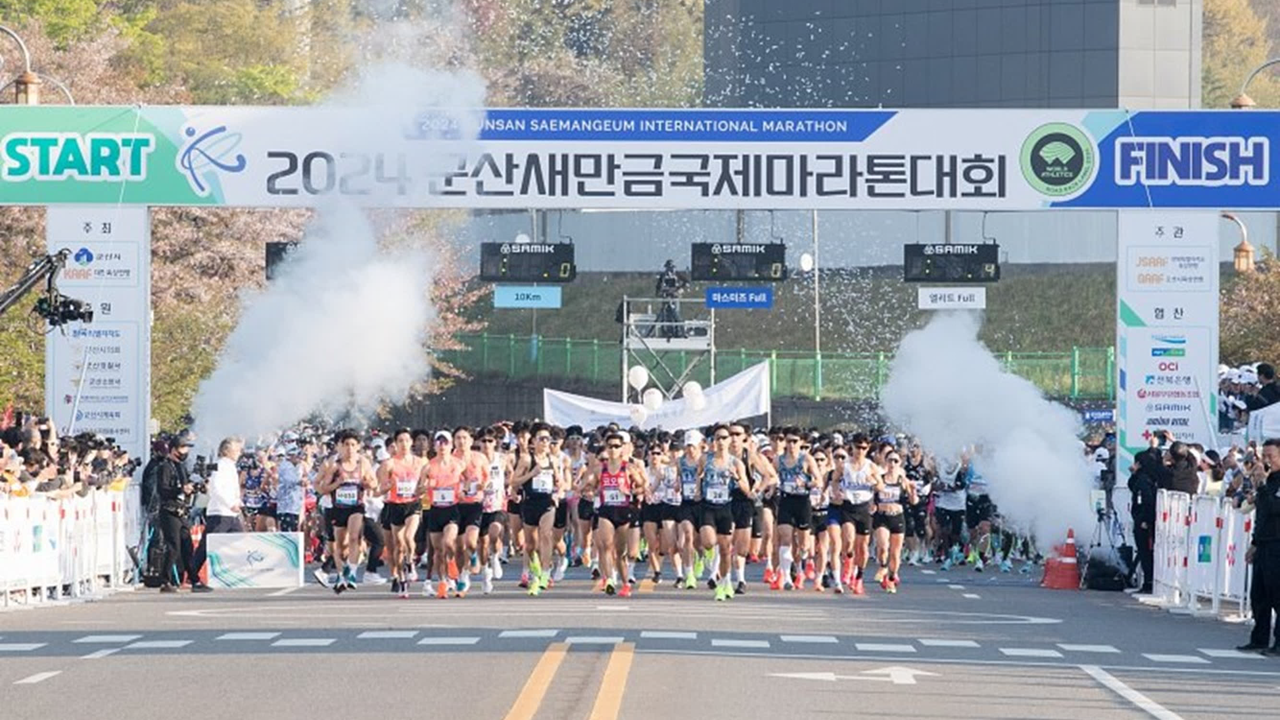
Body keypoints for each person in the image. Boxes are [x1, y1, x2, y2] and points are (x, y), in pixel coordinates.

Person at [313, 429, 377, 593]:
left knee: (355, 537)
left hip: (356, 506)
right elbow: (322, 488)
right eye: (346, 444)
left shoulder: (363, 463)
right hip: (338, 508)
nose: (350, 448)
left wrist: (367, 483)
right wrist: (337, 483)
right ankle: (342, 575)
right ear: (340, 446)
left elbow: (374, 483)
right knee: (340, 547)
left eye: (353, 445)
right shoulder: (334, 465)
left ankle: (353, 574)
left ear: (358, 447)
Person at [154, 431, 211, 593]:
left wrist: (197, 487)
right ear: (173, 449)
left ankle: (195, 580)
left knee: (187, 547)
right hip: (169, 511)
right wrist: (180, 489)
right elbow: (163, 490)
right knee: (173, 547)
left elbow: (187, 487)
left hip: (182, 511)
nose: (186, 451)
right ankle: (165, 581)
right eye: (183, 447)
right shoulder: (165, 467)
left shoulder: (181, 467)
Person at [1240, 438, 1280, 655]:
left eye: (1270, 456)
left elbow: (1275, 508)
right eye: (1264, 456)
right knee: (1259, 595)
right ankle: (1259, 638)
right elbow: (1262, 513)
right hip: (1264, 543)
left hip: (1278, 544)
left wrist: (1263, 485)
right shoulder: (1270, 481)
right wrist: (1254, 544)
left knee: (1277, 594)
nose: (1266, 461)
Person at [378, 428, 425, 598]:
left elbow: (424, 485)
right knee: (397, 545)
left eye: (407, 440)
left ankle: (411, 562)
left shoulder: (420, 463)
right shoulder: (388, 464)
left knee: (408, 538)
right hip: (395, 505)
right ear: (395, 444)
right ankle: (401, 579)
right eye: (400, 441)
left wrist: (422, 490)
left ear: (411, 442)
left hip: (412, 504)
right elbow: (381, 487)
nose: (404, 444)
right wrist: (388, 485)